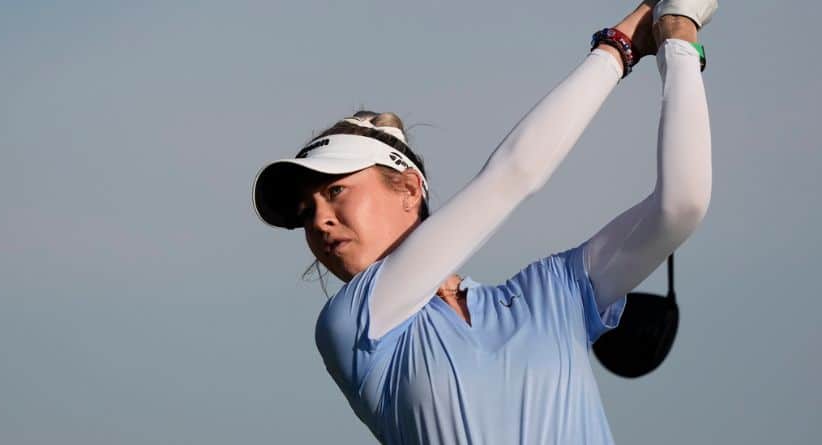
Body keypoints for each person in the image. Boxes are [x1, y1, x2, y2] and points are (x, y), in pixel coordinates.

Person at [252, 0, 716, 443]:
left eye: (335, 192)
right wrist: (620, 45)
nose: (320, 222)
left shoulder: (552, 293)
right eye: (307, 212)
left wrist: (678, 36)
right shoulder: (353, 324)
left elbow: (680, 206)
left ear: (410, 189)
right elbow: (515, 174)